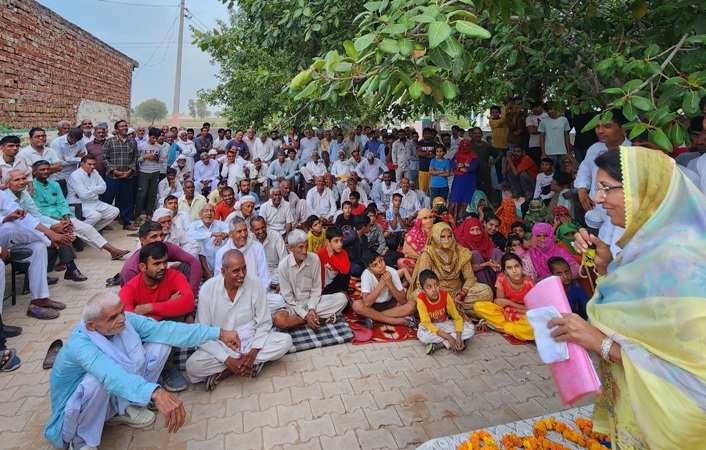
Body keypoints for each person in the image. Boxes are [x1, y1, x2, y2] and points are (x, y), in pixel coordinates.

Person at [548, 147, 706, 447]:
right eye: (597, 188)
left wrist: (601, 344)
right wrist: (606, 267)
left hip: (676, 432)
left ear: (644, 190)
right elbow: (639, 322)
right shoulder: (648, 246)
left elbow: (695, 376)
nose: (596, 199)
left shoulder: (682, 262)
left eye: (606, 189)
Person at [44, 292, 241, 449]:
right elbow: (111, 376)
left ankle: (126, 407)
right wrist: (155, 392)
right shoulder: (80, 345)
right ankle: (82, 442)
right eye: (113, 317)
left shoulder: (126, 320)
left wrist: (218, 333)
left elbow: (167, 330)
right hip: (76, 409)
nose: (122, 319)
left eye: (122, 311)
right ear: (91, 326)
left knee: (162, 342)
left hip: (112, 391)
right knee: (96, 380)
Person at [184, 250, 292, 390]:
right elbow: (203, 332)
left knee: (285, 341)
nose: (242, 274)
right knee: (192, 366)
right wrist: (227, 360)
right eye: (236, 271)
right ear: (223, 272)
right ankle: (244, 366)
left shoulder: (255, 283)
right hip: (222, 344)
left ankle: (227, 372)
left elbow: (264, 322)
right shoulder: (207, 289)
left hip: (250, 340)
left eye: (244, 268)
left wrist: (252, 353)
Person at [119, 242, 194, 391]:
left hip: (161, 328)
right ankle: (153, 372)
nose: (162, 267)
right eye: (156, 263)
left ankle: (165, 368)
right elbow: (128, 322)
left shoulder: (174, 276)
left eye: (165, 262)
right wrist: (168, 305)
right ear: (142, 267)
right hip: (141, 341)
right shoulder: (130, 289)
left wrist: (150, 308)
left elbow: (188, 302)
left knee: (179, 314)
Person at [32, 160, 129, 260]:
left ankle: (113, 251)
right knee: (68, 230)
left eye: (48, 169)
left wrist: (67, 218)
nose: (46, 171)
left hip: (62, 216)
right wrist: (60, 222)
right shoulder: (30, 187)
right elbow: (38, 211)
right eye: (42, 169)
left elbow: (62, 203)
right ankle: (67, 263)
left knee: (88, 228)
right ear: (34, 172)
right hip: (46, 219)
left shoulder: (54, 184)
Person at [407, 222, 493, 321]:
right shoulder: (428, 253)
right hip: (436, 293)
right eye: (442, 237)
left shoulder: (461, 251)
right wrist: (440, 297)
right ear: (435, 236)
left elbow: (470, 278)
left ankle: (446, 310)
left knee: (486, 292)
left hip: (457, 292)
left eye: (449, 236)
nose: (446, 240)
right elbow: (421, 281)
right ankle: (453, 309)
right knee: (417, 295)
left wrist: (461, 295)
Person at [272, 230, 348, 329]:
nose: (305, 251)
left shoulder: (314, 259)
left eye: (306, 246)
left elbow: (316, 290)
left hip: (313, 303)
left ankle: (304, 320)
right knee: (279, 320)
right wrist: (305, 315)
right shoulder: (283, 266)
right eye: (300, 247)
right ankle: (319, 318)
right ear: (291, 248)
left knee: (342, 298)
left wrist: (311, 309)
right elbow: (288, 298)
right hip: (292, 305)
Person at [120, 222, 202, 298]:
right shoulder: (130, 270)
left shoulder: (166, 247)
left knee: (185, 267)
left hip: (165, 293)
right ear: (143, 241)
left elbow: (194, 262)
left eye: (161, 235)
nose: (160, 239)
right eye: (154, 236)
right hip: (146, 305)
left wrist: (191, 295)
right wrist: (169, 302)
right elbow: (137, 304)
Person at [473, 253, 536, 341]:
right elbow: (500, 304)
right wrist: (504, 304)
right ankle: (510, 328)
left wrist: (509, 303)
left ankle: (499, 328)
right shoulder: (501, 278)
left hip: (524, 315)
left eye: (517, 266)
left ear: (522, 267)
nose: (514, 271)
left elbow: (533, 310)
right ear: (505, 271)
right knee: (479, 306)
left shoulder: (530, 283)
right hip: (507, 313)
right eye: (509, 268)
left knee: (532, 328)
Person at [352, 249, 417, 329]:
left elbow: (403, 301)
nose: (380, 266)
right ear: (369, 269)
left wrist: (390, 284)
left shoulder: (392, 272)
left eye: (381, 261)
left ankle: (373, 317)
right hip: (372, 305)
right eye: (375, 265)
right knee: (357, 306)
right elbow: (367, 303)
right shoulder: (366, 274)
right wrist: (382, 284)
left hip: (388, 303)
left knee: (412, 305)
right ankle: (393, 321)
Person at [416, 269, 474, 354]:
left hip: (444, 323)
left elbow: (457, 318)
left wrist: (458, 337)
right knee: (423, 337)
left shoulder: (445, 296)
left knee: (471, 329)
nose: (434, 290)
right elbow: (427, 324)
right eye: (429, 287)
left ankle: (441, 344)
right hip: (430, 327)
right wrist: (449, 337)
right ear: (423, 289)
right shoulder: (421, 299)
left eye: (436, 285)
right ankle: (452, 340)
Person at [65, 155, 120, 231]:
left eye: (94, 164)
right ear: (82, 164)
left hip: (94, 201)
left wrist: (88, 189)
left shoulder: (94, 172)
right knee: (95, 216)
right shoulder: (76, 175)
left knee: (114, 211)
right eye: (89, 164)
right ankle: (78, 232)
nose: (92, 166)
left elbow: (103, 188)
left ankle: (93, 231)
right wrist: (96, 191)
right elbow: (83, 195)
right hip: (79, 203)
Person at [102, 120, 138, 230]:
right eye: (121, 126)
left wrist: (129, 171)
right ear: (116, 129)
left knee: (126, 200)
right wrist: (114, 171)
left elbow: (135, 158)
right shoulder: (109, 142)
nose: (124, 128)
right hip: (112, 177)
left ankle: (126, 222)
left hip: (127, 177)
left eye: (125, 126)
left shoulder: (132, 142)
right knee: (107, 199)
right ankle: (103, 223)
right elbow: (104, 158)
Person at [514, 222, 580, 281]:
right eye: (538, 236)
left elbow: (577, 271)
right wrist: (526, 245)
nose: (542, 239)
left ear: (551, 236)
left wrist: (549, 279)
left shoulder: (560, 251)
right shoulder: (531, 251)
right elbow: (513, 259)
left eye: (545, 236)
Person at [454, 217, 503, 291]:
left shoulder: (484, 240)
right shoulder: (462, 243)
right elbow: (465, 270)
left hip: (490, 272)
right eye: (472, 230)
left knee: (497, 251)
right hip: (473, 276)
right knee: (475, 254)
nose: (476, 233)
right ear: (467, 230)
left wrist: (497, 262)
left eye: (478, 229)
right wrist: (485, 264)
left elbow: (495, 257)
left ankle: (500, 288)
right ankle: (489, 291)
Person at [187, 203, 229, 280]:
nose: (209, 213)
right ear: (200, 214)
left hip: (217, 264)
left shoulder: (219, 224)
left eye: (212, 211)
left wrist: (223, 235)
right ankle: (207, 273)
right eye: (206, 211)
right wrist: (211, 234)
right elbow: (190, 234)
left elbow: (230, 228)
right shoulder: (194, 225)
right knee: (199, 242)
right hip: (201, 267)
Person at [134, 128, 165, 225]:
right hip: (143, 172)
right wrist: (145, 157)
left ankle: (149, 214)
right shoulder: (141, 146)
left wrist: (156, 158)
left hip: (155, 171)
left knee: (152, 194)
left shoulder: (159, 147)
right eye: (153, 137)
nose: (154, 140)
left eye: (156, 138)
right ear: (149, 136)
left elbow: (162, 160)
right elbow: (135, 160)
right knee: (141, 194)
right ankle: (138, 215)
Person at [250, 216, 288, 294]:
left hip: (275, 273)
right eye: (257, 229)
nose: (261, 231)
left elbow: (284, 260)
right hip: (258, 274)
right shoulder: (249, 240)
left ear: (266, 225)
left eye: (262, 227)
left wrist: (281, 280)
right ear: (252, 230)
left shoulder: (275, 236)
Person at [448, 139, 479, 221]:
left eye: (467, 146)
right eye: (463, 145)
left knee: (468, 199)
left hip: (469, 181)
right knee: (455, 198)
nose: (464, 147)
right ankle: (453, 222)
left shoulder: (473, 155)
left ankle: (467, 222)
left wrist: (461, 166)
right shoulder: (457, 154)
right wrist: (460, 166)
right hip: (458, 181)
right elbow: (451, 163)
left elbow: (473, 167)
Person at [317, 227, 351, 295]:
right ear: (328, 242)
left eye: (341, 240)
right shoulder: (321, 253)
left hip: (336, 281)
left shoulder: (343, 253)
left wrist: (331, 256)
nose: (340, 244)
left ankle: (343, 291)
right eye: (336, 241)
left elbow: (345, 270)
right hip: (324, 284)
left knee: (347, 268)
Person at [538, 103, 572, 167]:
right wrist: (543, 153)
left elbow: (566, 136)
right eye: (547, 110)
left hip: (563, 151)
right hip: (549, 152)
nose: (550, 111)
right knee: (550, 172)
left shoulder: (564, 119)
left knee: (564, 172)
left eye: (551, 109)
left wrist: (568, 151)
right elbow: (542, 138)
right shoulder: (543, 122)